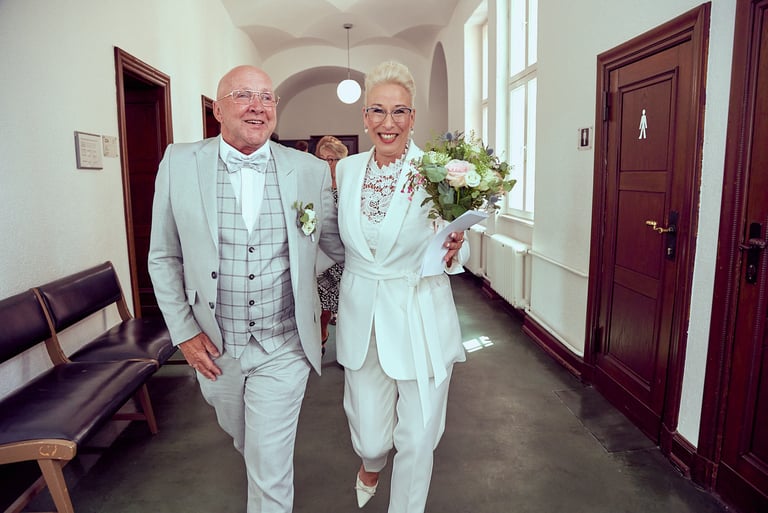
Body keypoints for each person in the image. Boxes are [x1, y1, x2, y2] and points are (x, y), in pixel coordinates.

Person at [147, 65, 346, 513]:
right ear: (217, 110)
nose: (258, 106)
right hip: (215, 348)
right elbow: (163, 256)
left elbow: (338, 245)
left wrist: (423, 249)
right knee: (250, 446)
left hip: (284, 345)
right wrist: (184, 332)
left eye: (267, 97)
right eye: (243, 95)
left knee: (270, 465)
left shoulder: (309, 170)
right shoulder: (179, 163)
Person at [334, 60, 468, 512]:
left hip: (419, 313)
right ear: (364, 116)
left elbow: (456, 239)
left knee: (418, 436)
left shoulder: (436, 171)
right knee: (372, 436)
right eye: (377, 110)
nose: (387, 122)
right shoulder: (346, 170)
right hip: (363, 318)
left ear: (413, 118)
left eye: (399, 111)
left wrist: (455, 248)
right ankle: (371, 462)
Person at [314, 135, 348, 352]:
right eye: (323, 159)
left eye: (332, 159)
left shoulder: (348, 186)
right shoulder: (315, 186)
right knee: (323, 307)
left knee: (347, 307)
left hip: (347, 253)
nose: (327, 163)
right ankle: (322, 335)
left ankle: (348, 349)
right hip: (324, 255)